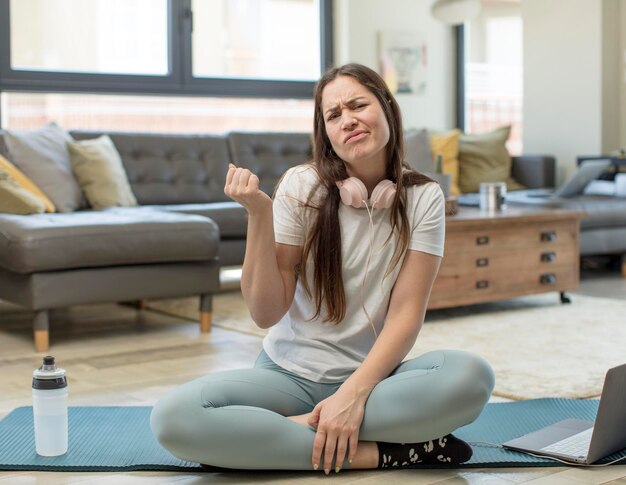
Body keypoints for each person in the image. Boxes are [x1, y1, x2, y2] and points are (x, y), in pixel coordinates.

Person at [150, 63, 495, 474]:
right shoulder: (302, 186)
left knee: (472, 377)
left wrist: (352, 394)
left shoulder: (424, 197)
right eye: (334, 115)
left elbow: (406, 314)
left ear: (386, 107)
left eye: (357, 105)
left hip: (374, 384)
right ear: (327, 133)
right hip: (288, 378)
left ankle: (273, 437)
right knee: (174, 418)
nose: (347, 119)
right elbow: (265, 313)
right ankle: (388, 453)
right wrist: (260, 215)